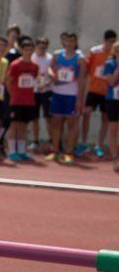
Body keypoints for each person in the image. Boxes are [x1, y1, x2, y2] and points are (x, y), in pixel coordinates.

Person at [45, 31, 87, 165]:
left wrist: (80, 99)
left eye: (72, 41)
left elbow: (82, 80)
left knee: (72, 124)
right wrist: (53, 75)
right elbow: (50, 69)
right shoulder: (57, 55)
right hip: (57, 92)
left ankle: (69, 152)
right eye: (66, 41)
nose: (69, 44)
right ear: (63, 41)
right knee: (56, 122)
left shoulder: (80, 58)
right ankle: (55, 150)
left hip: (72, 95)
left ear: (75, 42)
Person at [79, 29, 117, 158]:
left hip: (107, 91)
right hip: (94, 90)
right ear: (105, 40)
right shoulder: (95, 51)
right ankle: (83, 143)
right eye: (110, 41)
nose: (112, 44)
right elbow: (87, 68)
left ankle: (99, 144)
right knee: (86, 114)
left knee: (105, 118)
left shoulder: (114, 55)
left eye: (114, 41)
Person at [5, 37, 39, 162]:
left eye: (31, 50)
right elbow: (8, 81)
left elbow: (33, 80)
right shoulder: (15, 65)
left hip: (29, 101)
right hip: (16, 101)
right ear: (21, 50)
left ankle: (21, 150)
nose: (29, 52)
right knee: (14, 125)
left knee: (24, 126)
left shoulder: (35, 66)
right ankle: (12, 151)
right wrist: (12, 95)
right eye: (26, 50)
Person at [0, 24, 23, 156]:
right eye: (12, 35)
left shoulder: (17, 52)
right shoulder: (1, 51)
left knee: (9, 117)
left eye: (16, 36)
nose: (14, 38)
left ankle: (2, 143)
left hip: (12, 88)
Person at [31, 36, 53, 150]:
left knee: (48, 117)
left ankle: (52, 142)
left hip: (46, 92)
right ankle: (35, 141)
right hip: (34, 92)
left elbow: (53, 75)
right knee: (34, 118)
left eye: (44, 48)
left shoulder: (50, 58)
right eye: (40, 47)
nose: (42, 50)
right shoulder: (31, 57)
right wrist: (36, 85)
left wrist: (45, 84)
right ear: (36, 47)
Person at [103, 44, 119, 171]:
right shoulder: (110, 63)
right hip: (113, 100)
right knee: (113, 129)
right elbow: (111, 81)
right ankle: (115, 159)